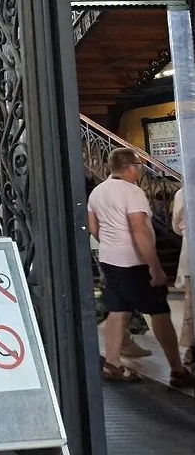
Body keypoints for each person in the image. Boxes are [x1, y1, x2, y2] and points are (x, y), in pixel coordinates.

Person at [87, 148, 193, 386]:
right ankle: (177, 370)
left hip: (110, 260)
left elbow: (93, 226)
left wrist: (111, 244)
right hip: (134, 262)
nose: (140, 170)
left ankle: (112, 363)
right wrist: (154, 267)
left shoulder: (97, 191)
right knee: (160, 312)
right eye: (139, 165)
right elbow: (139, 229)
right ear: (130, 167)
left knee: (117, 310)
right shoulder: (132, 192)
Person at [172, 188, 193, 368]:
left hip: (190, 252)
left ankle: (191, 349)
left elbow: (176, 225)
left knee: (191, 305)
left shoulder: (182, 192)